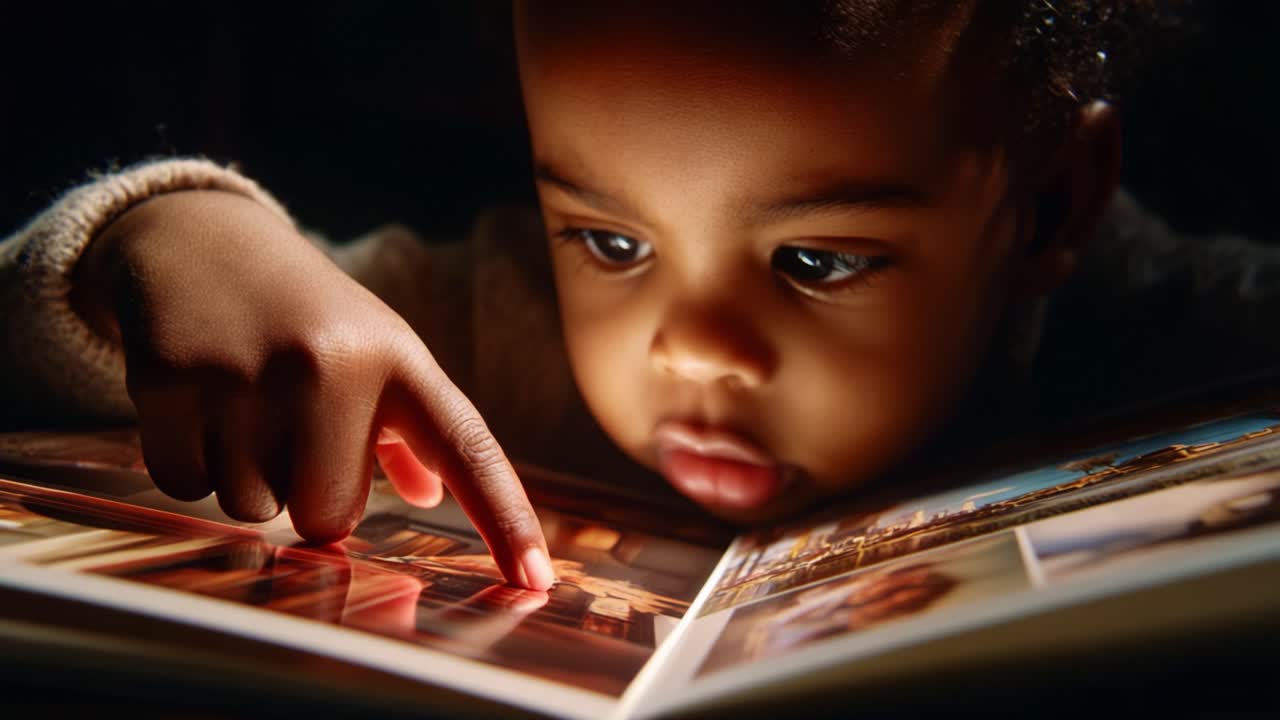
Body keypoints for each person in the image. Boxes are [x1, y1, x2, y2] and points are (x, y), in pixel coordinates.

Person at [1, 1, 1270, 592]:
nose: (693, 350)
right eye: (608, 241)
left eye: (815, 261)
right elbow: (87, 340)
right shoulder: (484, 327)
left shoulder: (1201, 345)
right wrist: (169, 235)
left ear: (1049, 205)